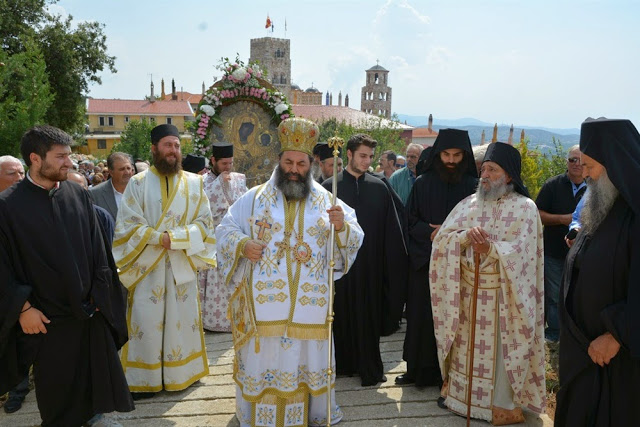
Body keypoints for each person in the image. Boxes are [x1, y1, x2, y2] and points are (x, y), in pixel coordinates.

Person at [216, 117, 364, 426]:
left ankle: (313, 414)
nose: (294, 169)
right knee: (266, 358)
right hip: (265, 309)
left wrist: (341, 228)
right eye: (288, 162)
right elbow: (224, 230)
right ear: (279, 161)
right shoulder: (254, 198)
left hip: (311, 308)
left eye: (300, 163)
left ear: (310, 164)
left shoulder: (328, 200)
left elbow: (355, 236)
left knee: (307, 359)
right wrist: (243, 245)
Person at [0, 125, 134, 426]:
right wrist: (23, 309)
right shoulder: (7, 207)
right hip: (45, 319)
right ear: (35, 158)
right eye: (60, 157)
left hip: (88, 310)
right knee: (57, 391)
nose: (69, 163)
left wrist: (102, 293)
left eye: (69, 156)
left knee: (93, 380)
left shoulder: (77, 194)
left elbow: (98, 248)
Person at [430, 142, 545, 424]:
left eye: (492, 170)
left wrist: (491, 250)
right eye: (483, 170)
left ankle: (501, 405)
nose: (484, 175)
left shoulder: (525, 208)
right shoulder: (468, 204)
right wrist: (465, 238)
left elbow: (524, 252)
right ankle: (461, 399)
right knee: (465, 350)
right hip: (467, 295)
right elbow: (442, 240)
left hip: (503, 299)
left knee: (497, 353)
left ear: (509, 176)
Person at [112, 124, 216, 399]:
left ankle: (182, 374)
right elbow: (127, 225)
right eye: (168, 145)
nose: (173, 150)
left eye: (177, 146)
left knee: (182, 321)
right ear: (154, 148)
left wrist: (177, 238)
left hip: (181, 264)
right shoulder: (138, 183)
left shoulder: (195, 183)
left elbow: (205, 223)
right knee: (146, 321)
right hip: (149, 265)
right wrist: (160, 239)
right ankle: (143, 379)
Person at [555, 118, 640, 426]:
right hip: (582, 352)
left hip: (617, 357)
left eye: (590, 165)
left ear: (614, 163)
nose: (585, 174)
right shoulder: (602, 201)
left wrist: (619, 333)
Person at [322, 133, 406, 386]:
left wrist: (392, 265)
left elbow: (393, 230)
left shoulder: (380, 188)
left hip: (371, 266)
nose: (367, 161)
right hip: (340, 267)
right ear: (348, 154)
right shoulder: (329, 187)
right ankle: (342, 364)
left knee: (368, 316)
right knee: (340, 314)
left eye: (370, 156)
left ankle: (368, 366)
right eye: (362, 156)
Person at [397, 129, 478, 387]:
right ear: (438, 154)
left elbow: (481, 224)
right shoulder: (422, 183)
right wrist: (429, 233)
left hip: (461, 264)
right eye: (446, 154)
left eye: (456, 155)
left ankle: (453, 377)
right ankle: (418, 371)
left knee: (458, 321)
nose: (451, 160)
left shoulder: (473, 188)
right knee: (422, 316)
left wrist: (452, 235)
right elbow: (409, 222)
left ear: (464, 156)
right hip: (426, 262)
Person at [535, 145, 586, 343]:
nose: (576, 164)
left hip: (583, 255)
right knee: (555, 296)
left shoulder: (595, 187)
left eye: (580, 160)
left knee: (579, 294)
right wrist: (562, 219)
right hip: (554, 252)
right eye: (572, 159)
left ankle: (576, 334)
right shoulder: (552, 185)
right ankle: (555, 333)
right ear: (566, 162)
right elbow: (536, 214)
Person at [199, 141, 248, 332]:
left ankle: (236, 319)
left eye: (230, 163)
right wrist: (219, 184)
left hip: (234, 238)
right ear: (213, 161)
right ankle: (214, 322)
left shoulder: (239, 179)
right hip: (213, 239)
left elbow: (243, 203)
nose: (228, 168)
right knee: (216, 282)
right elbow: (203, 206)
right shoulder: (203, 182)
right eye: (223, 164)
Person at [0, 155, 29, 415]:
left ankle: (20, 389)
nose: (19, 178)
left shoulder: (27, 204)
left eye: (22, 173)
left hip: (29, 288)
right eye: (12, 173)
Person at [90, 152, 134, 222]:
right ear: (111, 172)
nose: (127, 172)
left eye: (128, 168)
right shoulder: (95, 194)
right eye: (122, 169)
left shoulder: (140, 190)